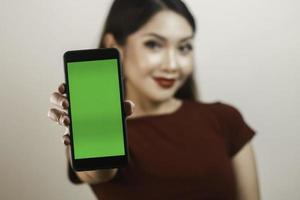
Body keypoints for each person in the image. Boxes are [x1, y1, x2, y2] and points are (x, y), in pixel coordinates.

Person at [48, 0, 260, 199]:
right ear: (115, 46)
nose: (172, 65)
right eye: (154, 44)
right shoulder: (106, 134)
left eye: (184, 47)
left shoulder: (224, 119)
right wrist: (88, 132)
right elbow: (98, 172)